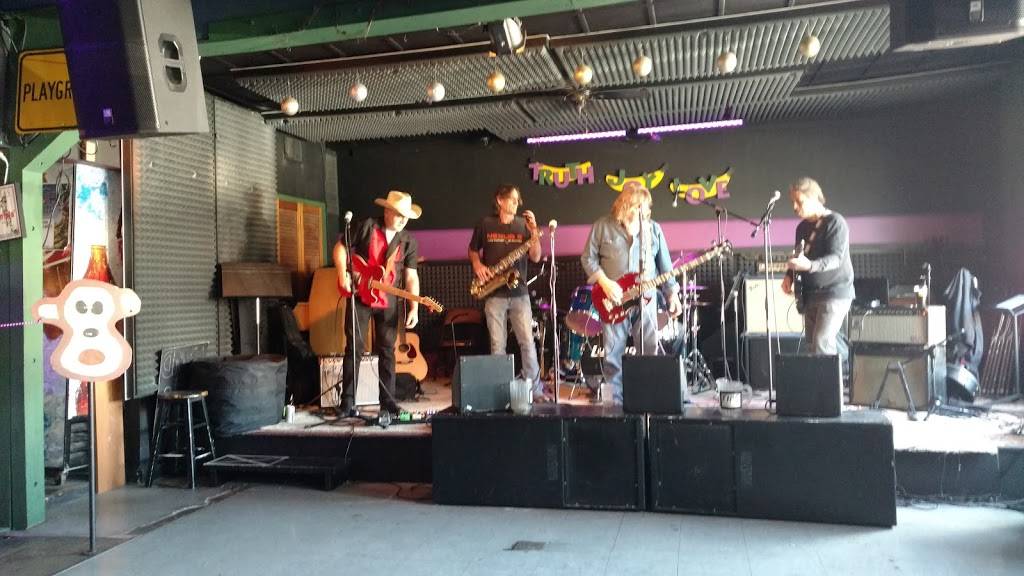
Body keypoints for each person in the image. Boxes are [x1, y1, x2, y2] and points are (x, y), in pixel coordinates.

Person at [581, 182, 683, 405]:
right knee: (612, 357)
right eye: (637, 205)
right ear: (624, 204)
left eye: (644, 206)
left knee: (648, 352)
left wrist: (672, 295)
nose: (641, 210)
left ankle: (647, 401)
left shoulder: (653, 229)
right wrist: (605, 283)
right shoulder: (602, 226)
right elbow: (587, 258)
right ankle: (614, 406)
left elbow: (665, 266)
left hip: (646, 299)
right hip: (614, 300)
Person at [333, 190, 421, 416]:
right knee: (354, 348)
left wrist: (415, 307)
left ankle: (388, 401)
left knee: (387, 350)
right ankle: (347, 402)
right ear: (387, 211)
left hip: (388, 299)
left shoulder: (408, 241)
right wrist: (342, 274)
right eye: (399, 214)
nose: (403, 220)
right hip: (360, 295)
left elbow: (411, 276)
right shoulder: (366, 226)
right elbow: (341, 247)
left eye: (406, 216)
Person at [468, 184, 546, 401]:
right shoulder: (485, 224)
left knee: (527, 342)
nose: (516, 203)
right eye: (511, 199)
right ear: (499, 200)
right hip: (494, 293)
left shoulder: (523, 225)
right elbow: (472, 250)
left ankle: (534, 390)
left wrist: (534, 232)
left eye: (517, 200)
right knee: (497, 345)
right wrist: (478, 265)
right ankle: (500, 391)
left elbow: (536, 256)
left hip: (519, 292)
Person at [782, 177, 855, 357]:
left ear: (814, 198)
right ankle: (842, 369)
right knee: (813, 346)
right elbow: (799, 255)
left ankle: (836, 374)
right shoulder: (801, 228)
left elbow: (836, 258)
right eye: (793, 202)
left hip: (834, 293)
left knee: (822, 344)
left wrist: (810, 265)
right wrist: (789, 276)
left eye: (799, 201)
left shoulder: (836, 222)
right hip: (811, 295)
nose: (795, 207)